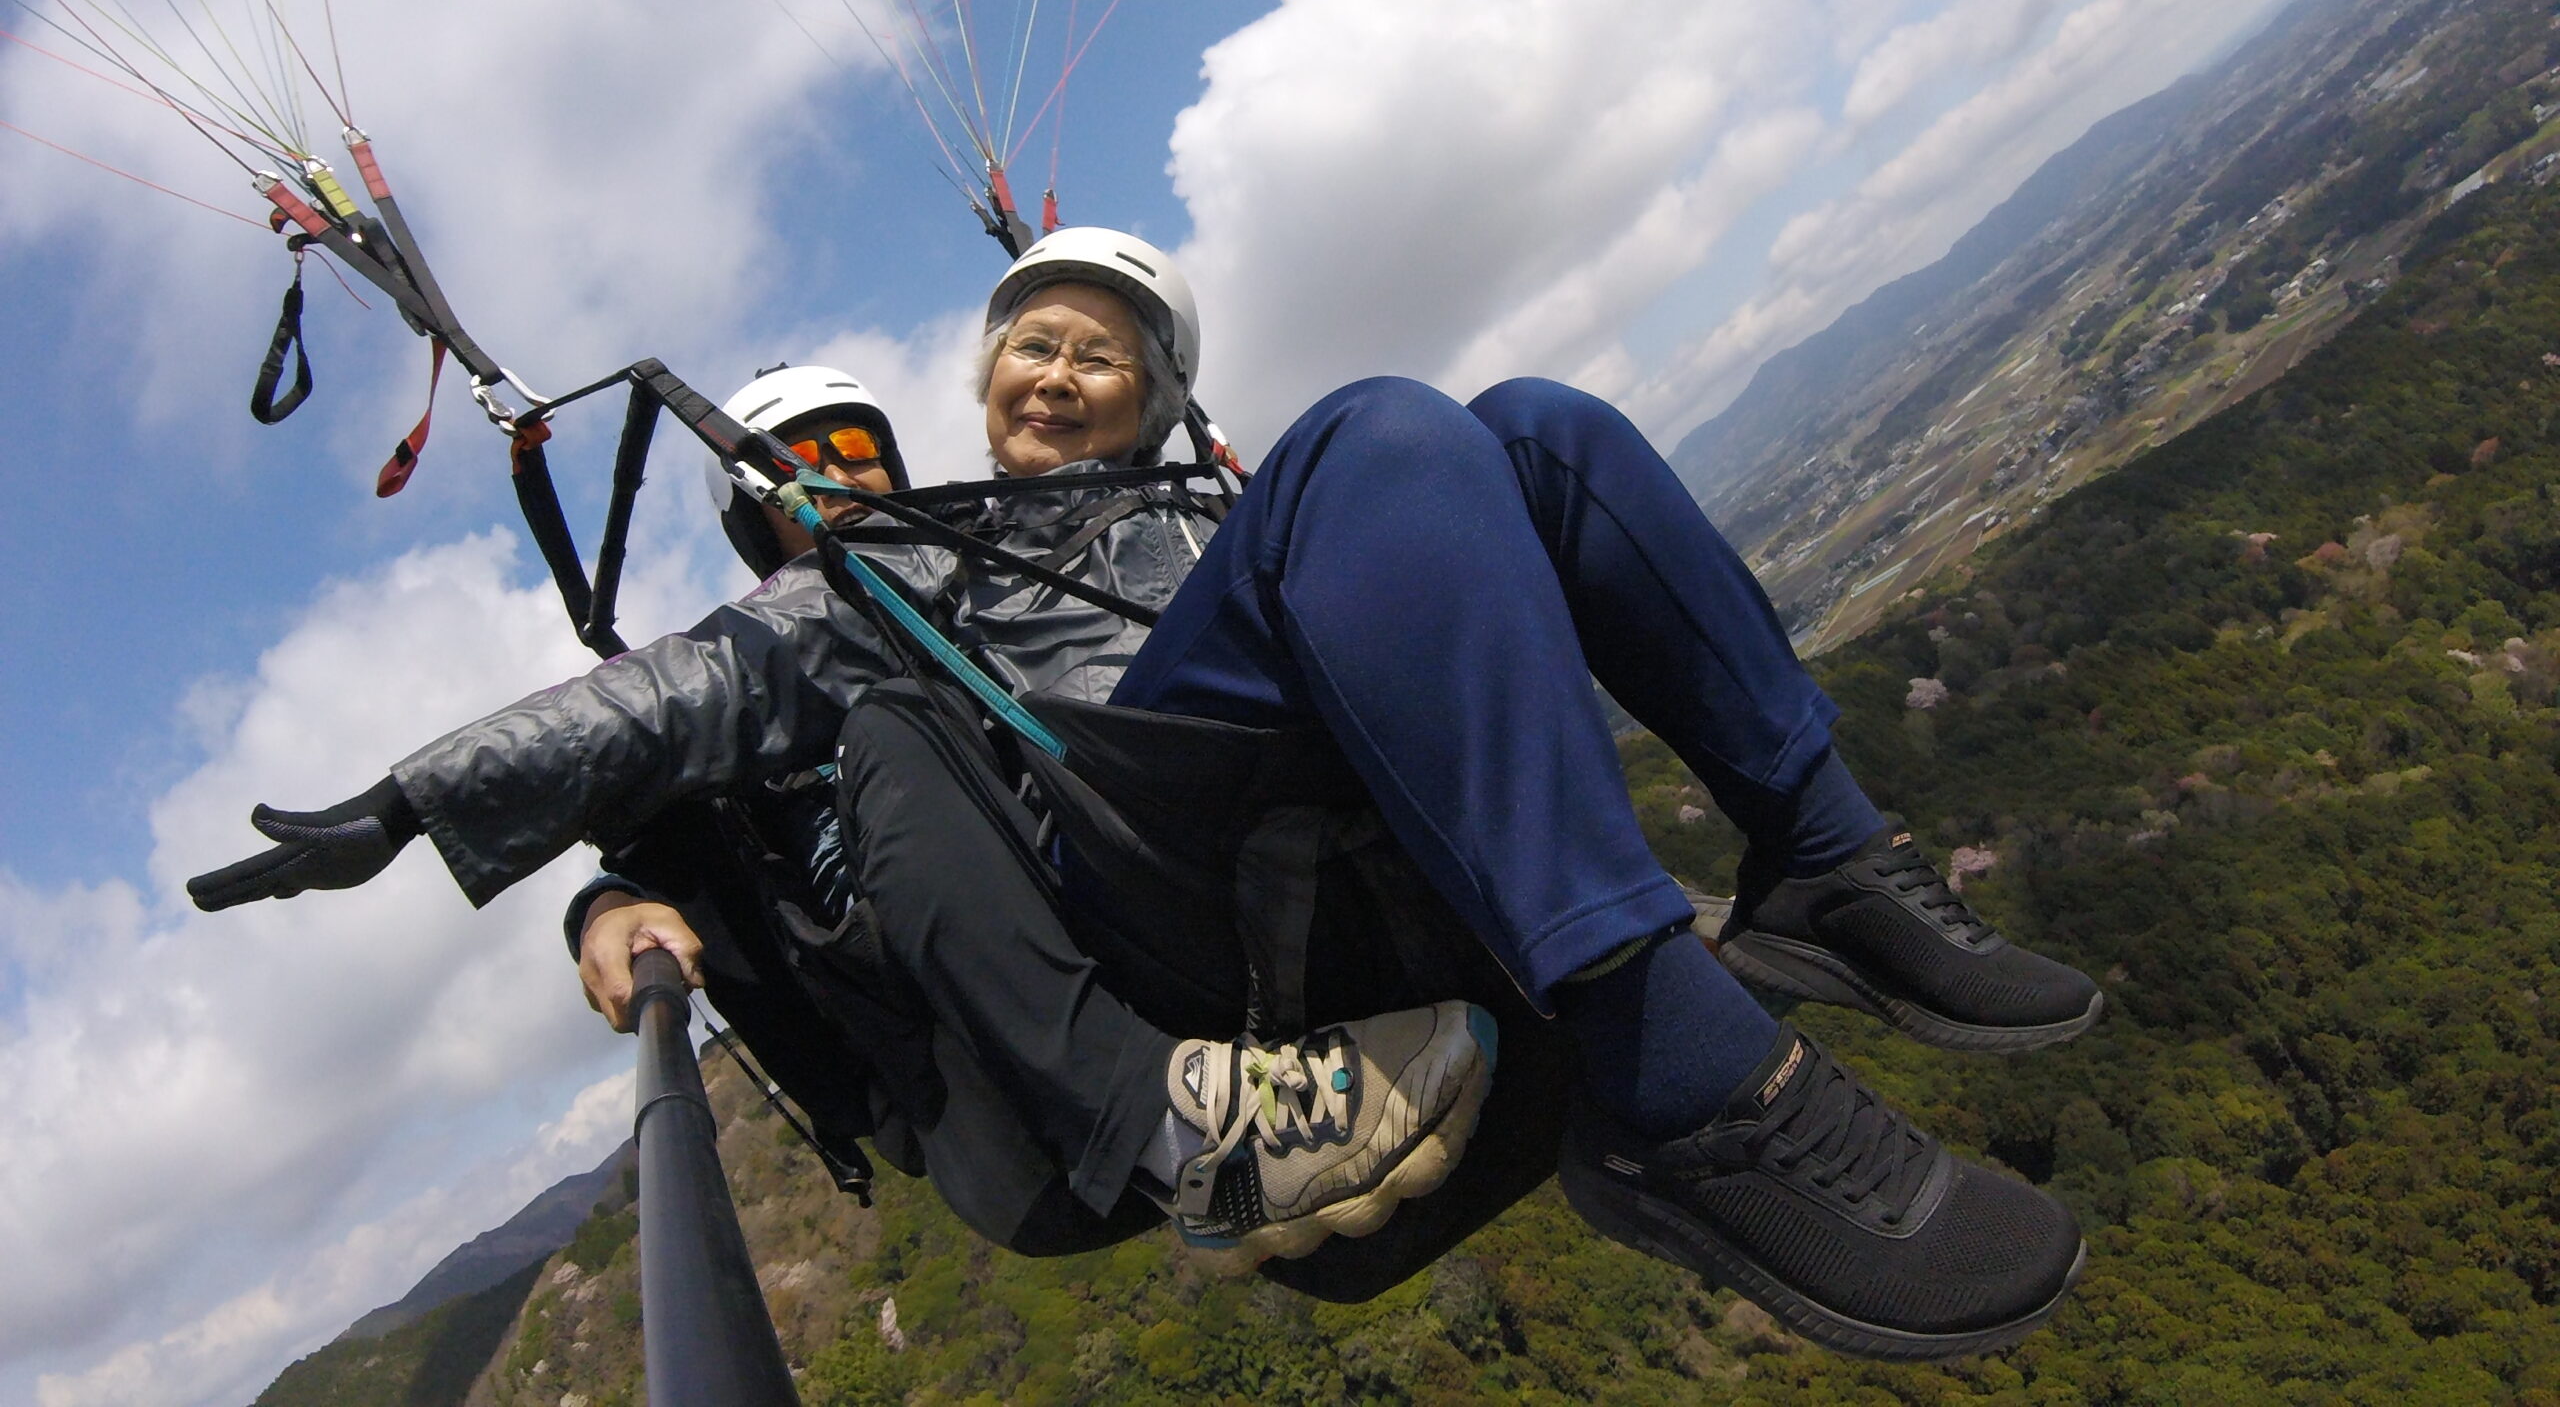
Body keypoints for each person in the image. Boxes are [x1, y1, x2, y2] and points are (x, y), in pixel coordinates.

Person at [196, 228, 2099, 1356]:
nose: (1052, 373)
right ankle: (1679, 1089)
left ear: (1159, 399)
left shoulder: (1188, 508)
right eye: (1028, 344)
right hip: (1143, 884)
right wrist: (425, 799)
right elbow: (688, 697)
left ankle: (1828, 858)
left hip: (1306, 804)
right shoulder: (875, 592)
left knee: (1533, 429)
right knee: (1362, 440)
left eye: (1096, 355)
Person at [189, 351, 1500, 1270]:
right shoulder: (750, 706)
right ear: (756, 530)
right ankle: (1169, 1128)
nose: (831, 482)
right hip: (995, 1106)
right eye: (797, 472)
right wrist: (535, 865)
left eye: (855, 456)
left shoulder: (982, 592)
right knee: (888, 722)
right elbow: (654, 757)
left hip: (1159, 957)